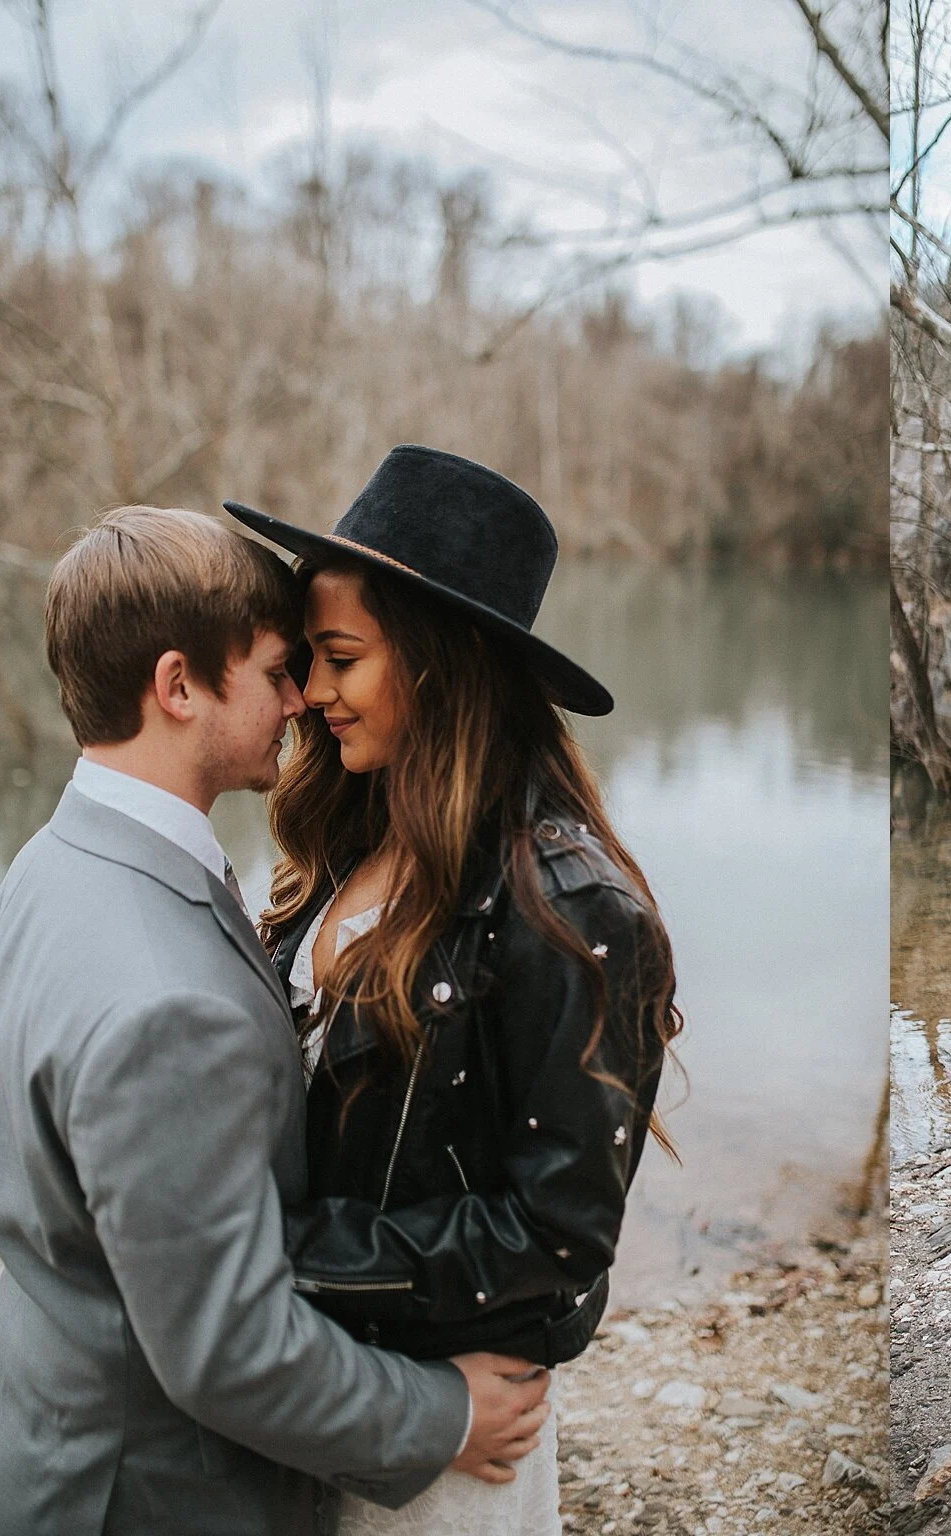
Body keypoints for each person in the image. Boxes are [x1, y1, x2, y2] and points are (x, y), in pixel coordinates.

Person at [0, 506, 549, 1536]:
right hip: (143, 1501)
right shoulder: (167, 1002)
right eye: (278, 670)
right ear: (178, 686)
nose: (302, 699)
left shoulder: (47, 870)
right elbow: (226, 1349)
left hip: (40, 1442)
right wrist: (445, 1416)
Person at [225, 445, 681, 1536]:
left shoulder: (574, 912)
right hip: (322, 1392)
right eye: (308, 658)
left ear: (441, 662)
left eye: (340, 658)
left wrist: (273, 1252)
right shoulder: (346, 837)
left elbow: (556, 1237)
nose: (311, 693)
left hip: (449, 1433)